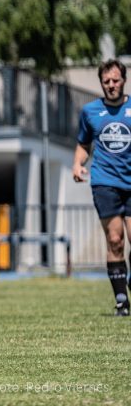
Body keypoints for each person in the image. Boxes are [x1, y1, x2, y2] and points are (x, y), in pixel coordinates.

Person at [73, 58, 131, 316]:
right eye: (106, 81)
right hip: (105, 182)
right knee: (115, 240)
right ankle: (122, 301)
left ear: (124, 81)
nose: (111, 85)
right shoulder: (90, 112)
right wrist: (77, 164)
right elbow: (84, 144)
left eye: (115, 80)